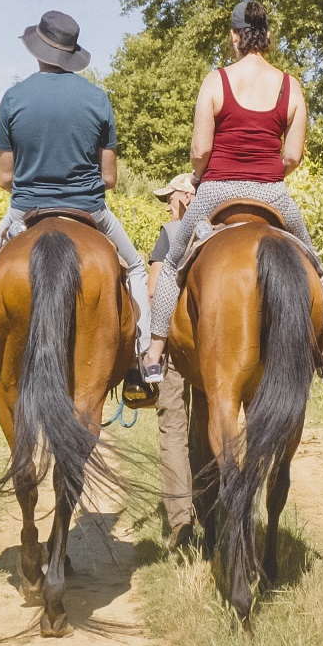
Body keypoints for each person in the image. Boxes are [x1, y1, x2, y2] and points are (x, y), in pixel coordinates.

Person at [140, 0, 323, 384]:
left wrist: (202, 177)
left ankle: (154, 350)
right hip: (272, 192)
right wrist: (267, 171)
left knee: (172, 264)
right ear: (267, 36)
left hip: (217, 189)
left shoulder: (216, 81)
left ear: (235, 37)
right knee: (314, 265)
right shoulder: (290, 86)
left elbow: (200, 150)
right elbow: (294, 155)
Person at [0, 10, 151, 405]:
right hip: (89, 209)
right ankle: (138, 365)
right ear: (71, 54)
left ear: (39, 50)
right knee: (134, 269)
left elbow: (4, 178)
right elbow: (110, 178)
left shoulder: (14, 97)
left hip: (26, 210)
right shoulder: (97, 99)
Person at [148, 172, 197, 548]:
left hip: (174, 350)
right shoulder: (218, 231)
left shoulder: (170, 233)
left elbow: (151, 290)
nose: (168, 203)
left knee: (173, 428)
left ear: (186, 195)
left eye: (171, 196)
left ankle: (181, 519)